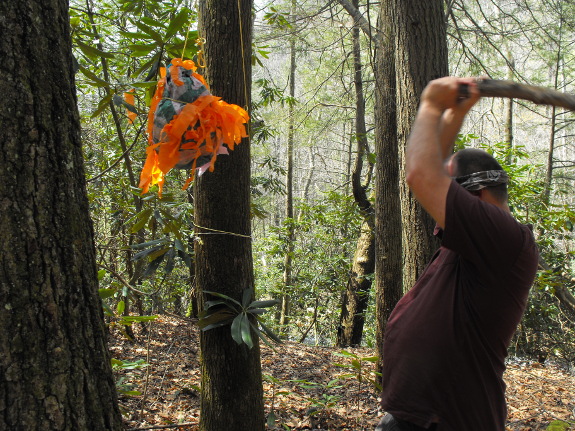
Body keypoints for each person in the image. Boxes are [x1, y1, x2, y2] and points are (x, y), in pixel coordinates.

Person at [375, 77, 539, 431]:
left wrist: (432, 105)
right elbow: (433, 170)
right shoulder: (476, 241)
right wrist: (457, 114)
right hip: (418, 417)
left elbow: (422, 175)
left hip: (452, 420)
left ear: (475, 195)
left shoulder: (504, 237)